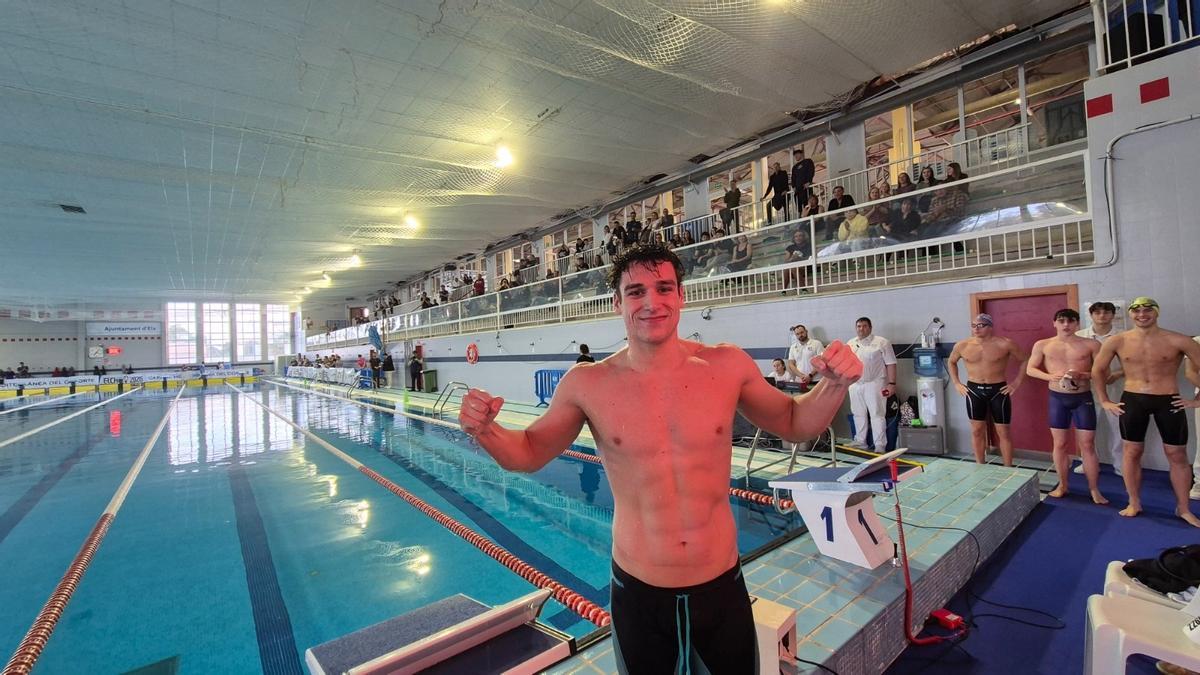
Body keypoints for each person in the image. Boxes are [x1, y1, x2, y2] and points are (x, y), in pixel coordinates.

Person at [458, 242, 862, 673]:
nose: (652, 302)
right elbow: (530, 453)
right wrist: (486, 430)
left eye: (664, 288)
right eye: (636, 292)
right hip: (639, 594)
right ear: (617, 302)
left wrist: (835, 384)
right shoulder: (588, 383)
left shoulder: (726, 365)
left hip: (721, 587)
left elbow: (795, 422)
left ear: (681, 296)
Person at [1092, 297, 1200, 526]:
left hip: (1168, 400)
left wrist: (1198, 400)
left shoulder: (1178, 339)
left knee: (1177, 455)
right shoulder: (1118, 341)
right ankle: (1134, 502)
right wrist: (1104, 400)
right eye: (1137, 310)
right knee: (1131, 452)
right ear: (1130, 314)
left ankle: (1183, 508)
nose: (1142, 314)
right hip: (1133, 399)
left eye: (1147, 310)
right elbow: (1098, 370)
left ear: (1156, 313)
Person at [1026, 309, 1106, 503]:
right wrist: (1050, 376)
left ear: (1077, 324)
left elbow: (1104, 373)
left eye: (1071, 321)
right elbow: (1030, 369)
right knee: (1060, 444)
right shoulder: (1043, 345)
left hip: (1082, 398)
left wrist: (1083, 375)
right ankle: (1063, 485)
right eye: (1061, 321)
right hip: (1057, 399)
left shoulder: (1092, 345)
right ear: (1054, 323)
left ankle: (1094, 489)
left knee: (1087, 445)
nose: (1066, 325)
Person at [947, 313, 1028, 466]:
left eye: (981, 325)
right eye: (973, 325)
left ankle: (1008, 468)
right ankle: (980, 465)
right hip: (974, 390)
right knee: (977, 430)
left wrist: (1016, 383)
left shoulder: (1005, 344)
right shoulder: (962, 345)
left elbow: (1024, 360)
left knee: (1003, 432)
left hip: (998, 390)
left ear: (990, 327)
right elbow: (951, 362)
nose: (976, 329)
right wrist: (956, 383)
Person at [1076, 301, 1124, 476]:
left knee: (1118, 427)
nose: (1102, 316)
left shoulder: (1124, 336)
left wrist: (1117, 374)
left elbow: (1133, 362)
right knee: (1085, 427)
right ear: (1091, 315)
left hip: (1115, 387)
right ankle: (1087, 461)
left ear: (1113, 315)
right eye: (1097, 313)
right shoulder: (1080, 336)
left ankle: (1120, 465)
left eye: (1106, 312)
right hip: (1086, 388)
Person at [847, 317, 896, 453]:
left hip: (875, 383)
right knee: (858, 413)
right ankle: (860, 441)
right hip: (855, 384)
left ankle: (880, 445)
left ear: (870, 327)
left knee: (877, 414)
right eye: (858, 326)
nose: (861, 329)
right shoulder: (851, 343)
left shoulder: (882, 342)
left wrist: (892, 384)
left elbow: (891, 363)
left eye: (864, 326)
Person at [786, 324, 824, 392]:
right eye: (797, 334)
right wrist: (801, 376)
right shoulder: (793, 347)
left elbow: (821, 362)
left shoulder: (817, 344)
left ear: (806, 331)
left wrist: (810, 375)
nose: (800, 335)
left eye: (802, 332)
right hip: (800, 381)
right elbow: (791, 364)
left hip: (816, 380)